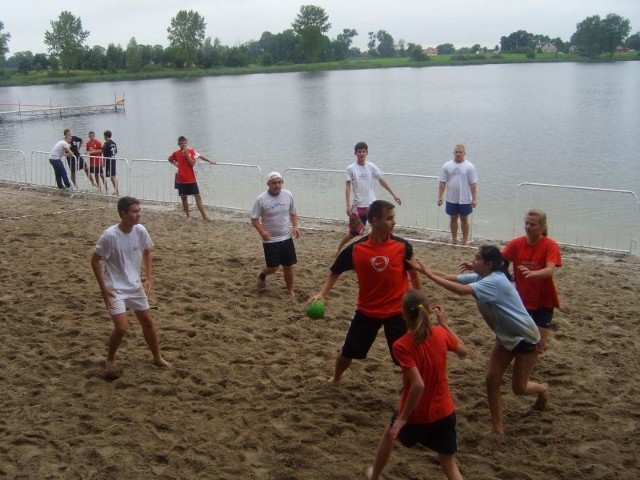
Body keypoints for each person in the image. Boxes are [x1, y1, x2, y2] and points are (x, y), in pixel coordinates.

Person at [411, 245, 547, 435]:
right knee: (492, 380)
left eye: (477, 259)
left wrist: (429, 275)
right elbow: (449, 277)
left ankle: (541, 389)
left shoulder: (495, 281)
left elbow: (461, 290)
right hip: (505, 337)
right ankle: (497, 428)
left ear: (489, 264)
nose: (472, 261)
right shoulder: (481, 277)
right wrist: (419, 268)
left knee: (519, 388)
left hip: (526, 337)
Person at [309, 199, 422, 383]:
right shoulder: (356, 249)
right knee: (348, 352)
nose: (394, 223)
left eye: (393, 218)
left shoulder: (403, 247)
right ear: (375, 221)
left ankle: (412, 388)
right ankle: (336, 378)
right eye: (389, 218)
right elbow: (334, 271)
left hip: (398, 312)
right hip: (367, 311)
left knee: (406, 357)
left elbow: (415, 275)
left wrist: (420, 303)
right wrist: (322, 294)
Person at [366, 289, 467, 480]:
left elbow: (418, 385)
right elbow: (463, 351)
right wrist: (444, 325)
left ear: (403, 313)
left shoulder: (402, 345)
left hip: (416, 414)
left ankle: (374, 476)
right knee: (449, 465)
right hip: (445, 411)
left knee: (389, 435)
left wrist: (403, 418)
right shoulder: (440, 333)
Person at [90, 196, 171, 379]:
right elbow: (95, 260)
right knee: (121, 328)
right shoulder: (110, 236)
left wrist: (148, 278)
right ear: (123, 214)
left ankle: (157, 357)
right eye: (134, 212)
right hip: (115, 287)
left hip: (134, 285)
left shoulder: (140, 231)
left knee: (148, 322)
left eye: (139, 211)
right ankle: (110, 359)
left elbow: (147, 251)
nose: (138, 215)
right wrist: (103, 287)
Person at [502, 209, 561, 351]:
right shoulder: (517, 243)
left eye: (533, 225)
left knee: (539, 345)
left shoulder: (550, 245)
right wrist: (507, 276)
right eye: (526, 223)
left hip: (544, 299)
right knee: (519, 338)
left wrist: (533, 274)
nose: (528, 227)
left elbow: (550, 270)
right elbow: (498, 259)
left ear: (542, 227)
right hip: (522, 297)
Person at [335, 141, 402, 255]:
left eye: (363, 151)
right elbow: (348, 186)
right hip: (358, 206)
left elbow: (381, 180)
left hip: (372, 205)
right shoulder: (351, 168)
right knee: (355, 232)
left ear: (367, 152)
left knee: (380, 227)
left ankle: (383, 248)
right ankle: (338, 247)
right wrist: (347, 205)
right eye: (359, 152)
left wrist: (394, 194)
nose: (361, 154)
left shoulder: (371, 166)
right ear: (355, 153)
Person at [250, 171, 301, 298]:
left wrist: (295, 226)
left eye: (279, 182)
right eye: (274, 183)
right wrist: (262, 231)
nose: (277, 185)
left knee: (288, 266)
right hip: (270, 239)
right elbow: (254, 218)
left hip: (286, 237)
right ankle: (262, 274)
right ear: (268, 184)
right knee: (273, 267)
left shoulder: (288, 195)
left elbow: (293, 213)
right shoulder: (261, 199)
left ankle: (290, 291)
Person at [168, 135, 217, 220]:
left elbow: (193, 163)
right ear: (178, 144)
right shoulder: (176, 153)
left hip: (191, 179)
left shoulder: (191, 151)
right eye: (181, 143)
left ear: (187, 143)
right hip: (181, 180)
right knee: (184, 198)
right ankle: (188, 216)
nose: (183, 145)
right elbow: (170, 159)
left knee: (197, 196)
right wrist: (177, 166)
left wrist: (187, 155)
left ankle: (205, 216)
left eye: (185, 143)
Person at [437, 144, 478, 245]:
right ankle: (454, 239)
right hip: (451, 198)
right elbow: (442, 182)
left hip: (465, 199)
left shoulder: (470, 167)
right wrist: (440, 196)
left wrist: (474, 198)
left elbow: (473, 184)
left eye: (460, 152)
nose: (458, 154)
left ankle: (465, 240)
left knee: (464, 219)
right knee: (453, 219)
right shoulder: (447, 166)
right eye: (456, 152)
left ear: (464, 153)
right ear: (454, 153)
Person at [102, 130, 119, 196]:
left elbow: (104, 153)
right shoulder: (114, 143)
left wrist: (103, 162)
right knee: (114, 176)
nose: (104, 137)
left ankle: (116, 192)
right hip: (114, 159)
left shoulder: (106, 144)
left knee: (112, 177)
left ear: (106, 136)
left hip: (109, 160)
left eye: (104, 136)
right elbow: (116, 151)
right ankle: (117, 191)